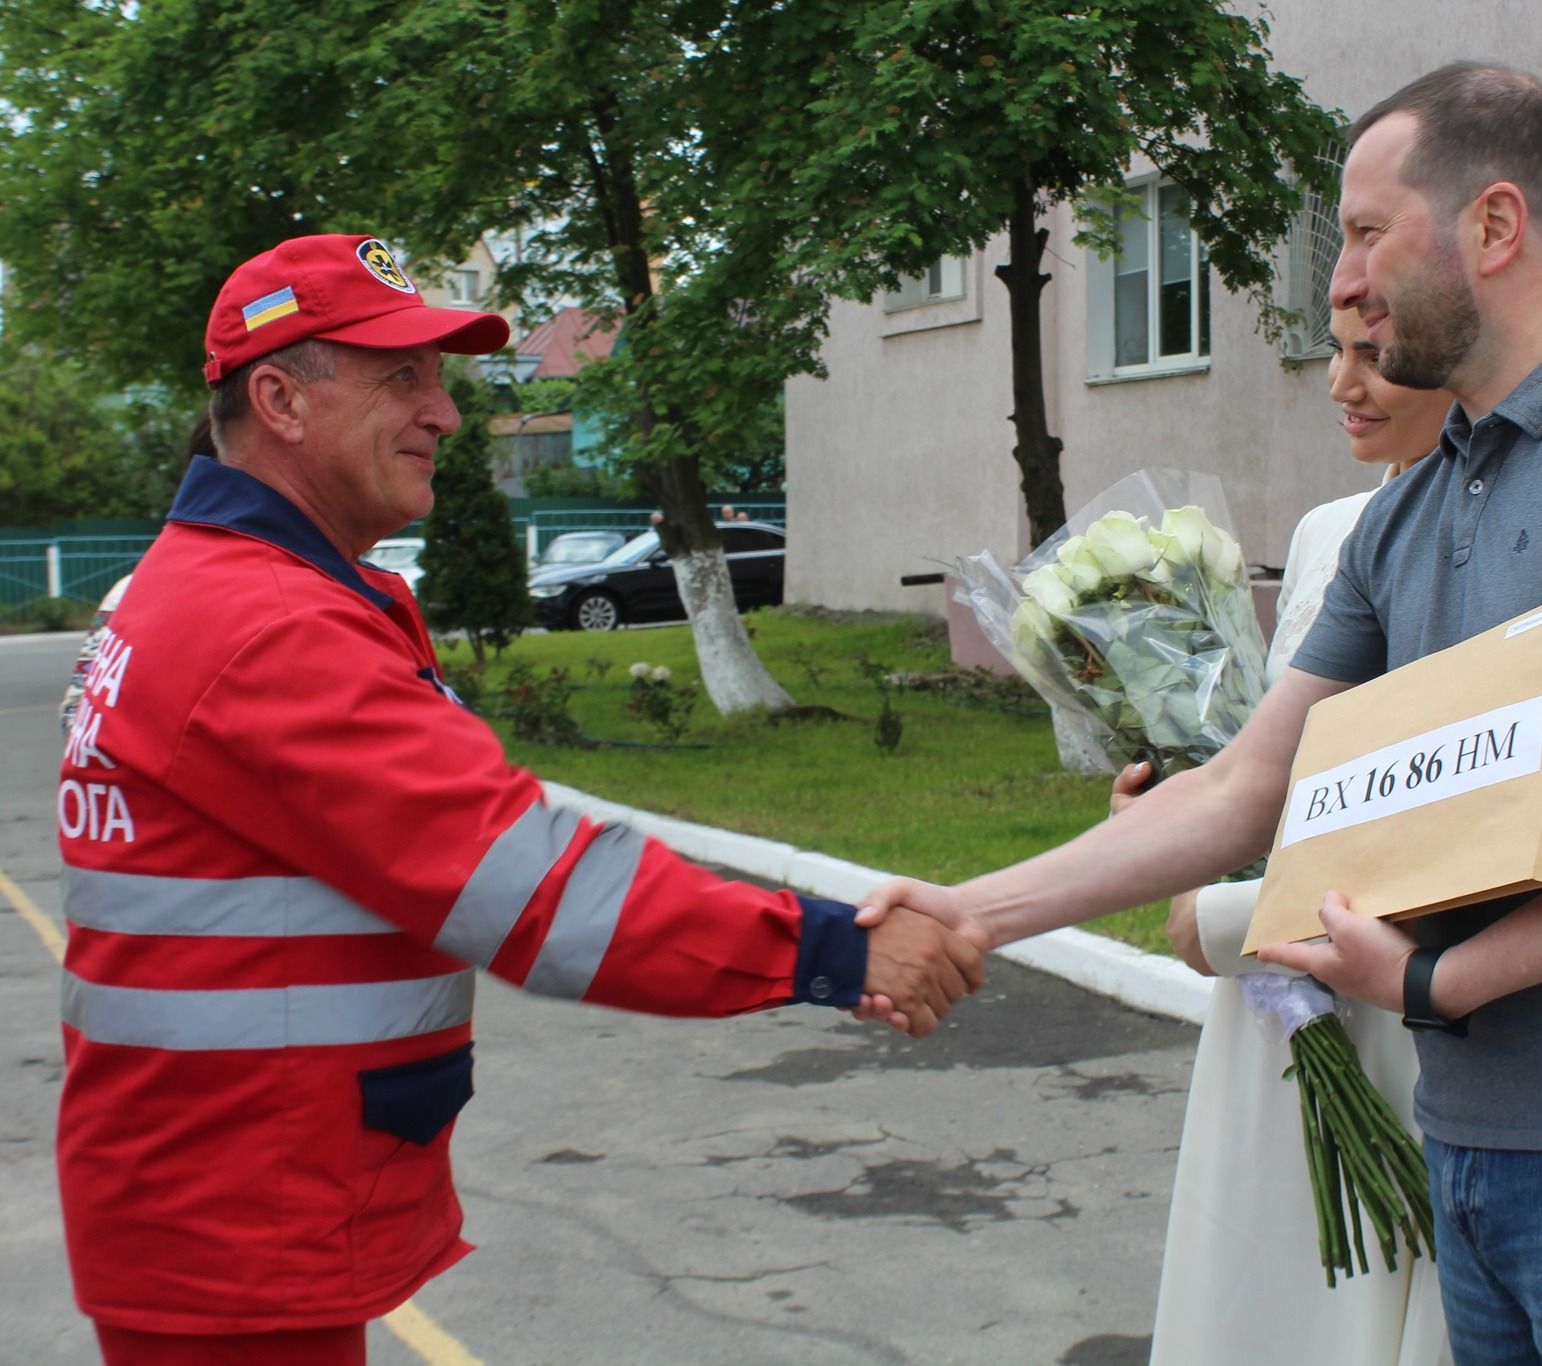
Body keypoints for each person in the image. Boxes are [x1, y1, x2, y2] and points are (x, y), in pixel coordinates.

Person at [861, 62, 1542, 1364]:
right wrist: (974, 908)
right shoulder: (1415, 512)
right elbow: (1240, 790)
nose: (1341, 285)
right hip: (1476, 1147)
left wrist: (1439, 978)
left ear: (1492, 226)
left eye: (1367, 233)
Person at [54, 233, 982, 1366]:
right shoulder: (266, 627)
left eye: (441, 376)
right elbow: (533, 885)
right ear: (279, 399)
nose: (444, 413)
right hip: (242, 1217)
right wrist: (831, 951)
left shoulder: (212, 584)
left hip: (224, 1198)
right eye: (403, 376)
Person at [1121, 303, 1453, 1366]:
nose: (1340, 385)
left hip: (1377, 977)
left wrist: (1223, 913)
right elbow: (1275, 766)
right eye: (1334, 354)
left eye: (1374, 358)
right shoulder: (1323, 532)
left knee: (1371, 1286)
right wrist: (1171, 814)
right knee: (1256, 1279)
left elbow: (1434, 805)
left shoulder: (1487, 540)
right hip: (1272, 1005)